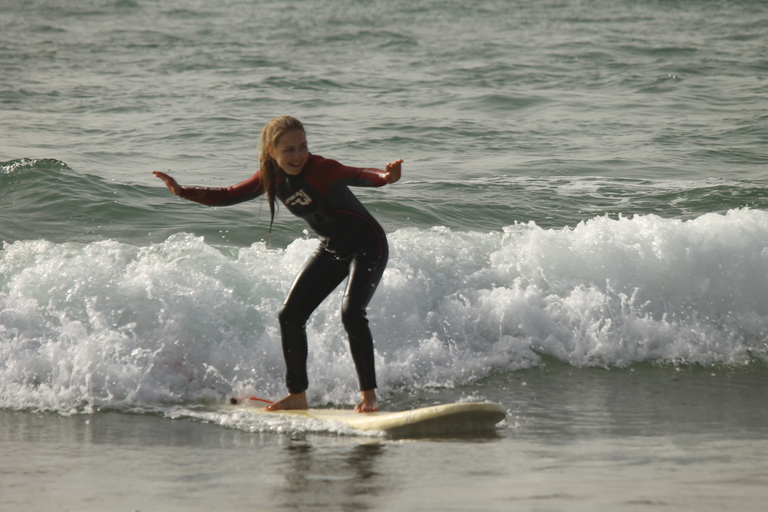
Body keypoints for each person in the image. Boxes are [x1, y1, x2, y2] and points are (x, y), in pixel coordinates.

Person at [153, 116, 402, 413]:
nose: (298, 156)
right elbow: (228, 195)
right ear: (273, 152)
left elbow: (360, 174)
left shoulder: (321, 169)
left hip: (368, 244)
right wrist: (183, 192)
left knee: (352, 311)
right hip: (333, 248)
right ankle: (297, 395)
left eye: (302, 147)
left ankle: (369, 396)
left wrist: (385, 178)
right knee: (290, 315)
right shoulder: (270, 178)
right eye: (289, 150)